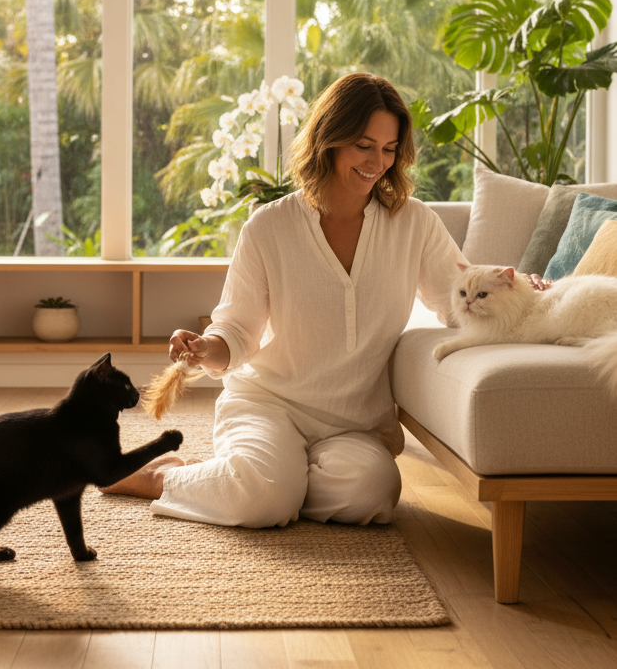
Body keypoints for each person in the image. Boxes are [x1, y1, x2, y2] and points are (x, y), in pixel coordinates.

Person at [101, 72, 548, 526]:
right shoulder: (269, 227)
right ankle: (168, 478)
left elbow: (460, 305)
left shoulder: (414, 223)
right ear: (329, 139)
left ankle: (260, 482)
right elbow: (237, 330)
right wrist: (204, 350)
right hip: (269, 403)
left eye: (389, 149)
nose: (377, 161)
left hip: (355, 423)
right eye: (364, 145)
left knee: (371, 493)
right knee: (264, 501)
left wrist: (528, 299)